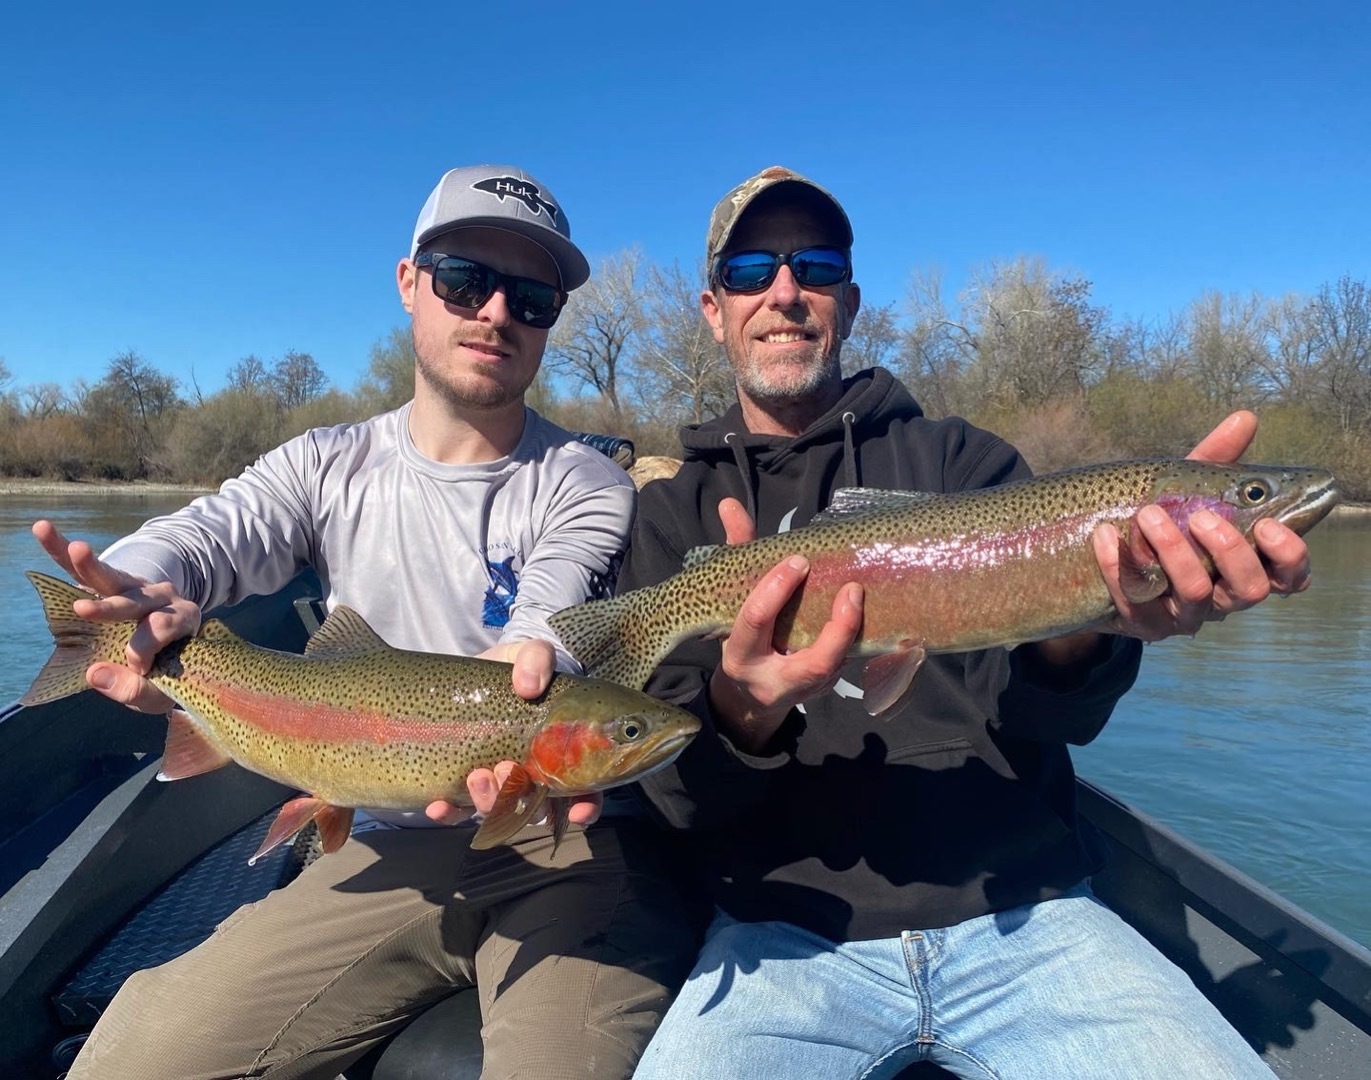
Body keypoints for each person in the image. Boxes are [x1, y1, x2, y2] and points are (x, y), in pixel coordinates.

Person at [623, 166, 1308, 1078]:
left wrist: (1094, 617)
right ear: (714, 308)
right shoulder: (674, 515)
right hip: (780, 940)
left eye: (814, 265)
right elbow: (675, 799)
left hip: (1033, 918)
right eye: (752, 271)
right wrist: (742, 710)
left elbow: (1056, 717)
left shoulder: (966, 459)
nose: (784, 292)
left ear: (849, 301)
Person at [44, 164, 701, 1080]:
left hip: (572, 850)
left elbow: (556, 592)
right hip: (382, 850)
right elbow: (213, 533)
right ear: (409, 283)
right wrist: (135, 590)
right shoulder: (325, 463)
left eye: (532, 296)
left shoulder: (584, 480)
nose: (497, 311)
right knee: (132, 1062)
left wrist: (537, 646)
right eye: (467, 278)